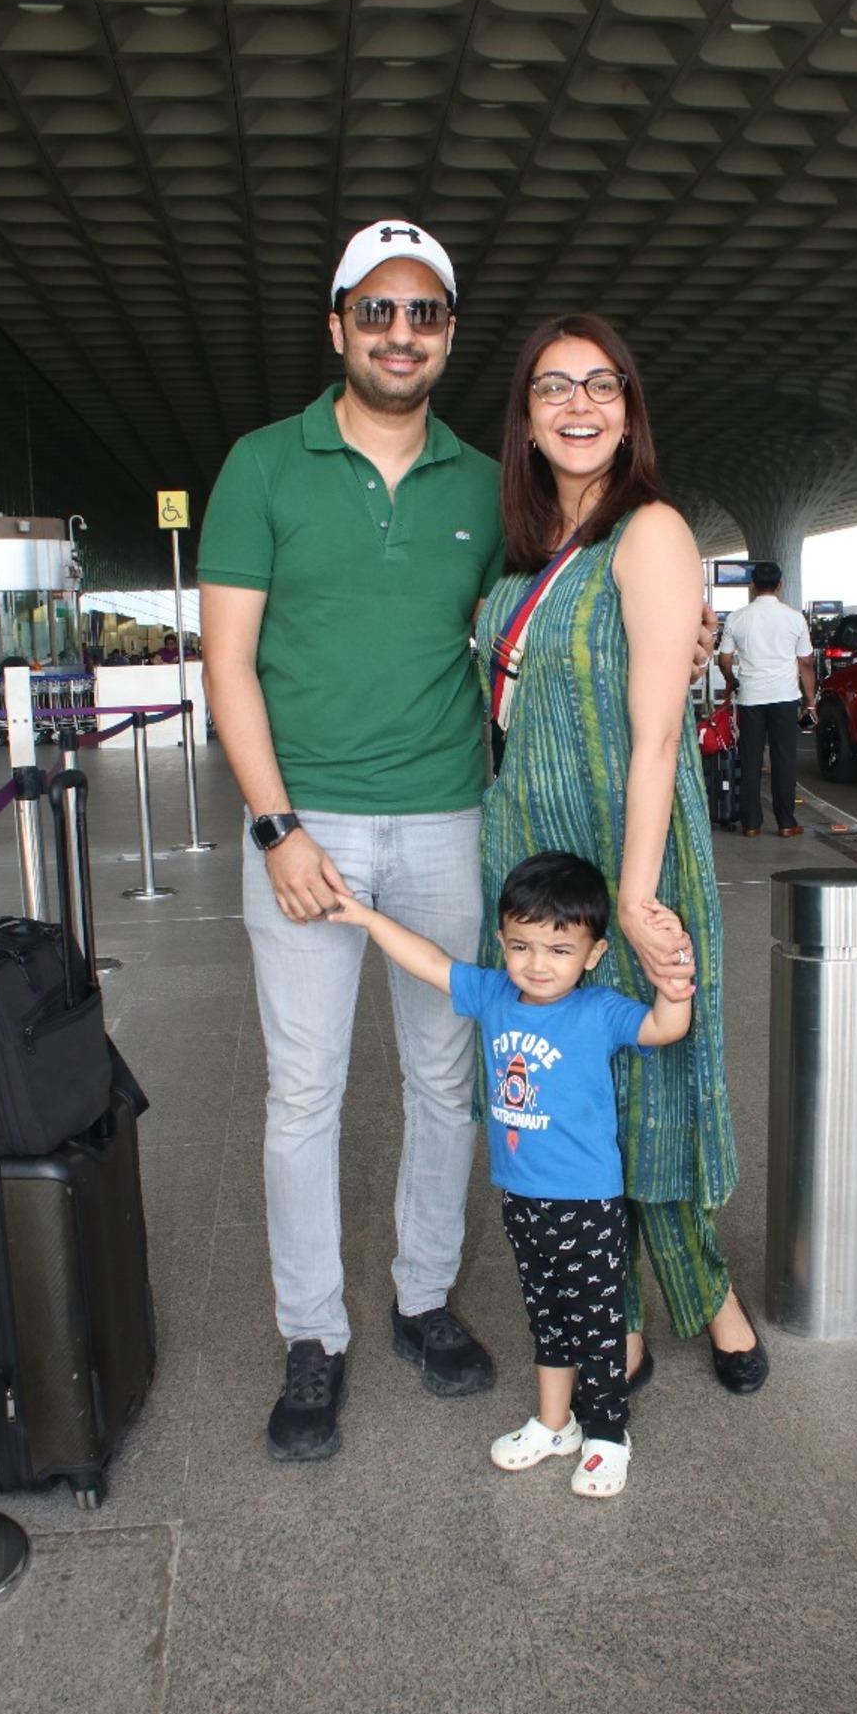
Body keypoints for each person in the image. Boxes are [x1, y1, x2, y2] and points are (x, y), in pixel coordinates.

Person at [198, 220, 506, 1463]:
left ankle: (422, 1300)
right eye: (374, 311)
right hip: (306, 826)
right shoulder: (263, 465)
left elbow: (550, 606)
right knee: (304, 1091)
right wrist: (276, 825)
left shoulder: (487, 484)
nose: (398, 332)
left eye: (421, 313)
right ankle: (311, 1335)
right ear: (337, 328)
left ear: (444, 337)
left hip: (447, 817)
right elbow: (226, 660)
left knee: (444, 1080)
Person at [475, 315, 767, 1395]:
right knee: (563, 1100)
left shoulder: (648, 531)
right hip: (530, 863)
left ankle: (706, 1300)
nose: (580, 405)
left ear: (629, 409)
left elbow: (655, 732)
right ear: (526, 418)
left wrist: (636, 896)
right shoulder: (520, 550)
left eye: (602, 386)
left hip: (628, 849)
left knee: (654, 1088)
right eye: (553, 388)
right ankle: (623, 1317)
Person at [330, 851, 693, 1498]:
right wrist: (362, 914)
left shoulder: (600, 1010)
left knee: (597, 1322)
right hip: (522, 1198)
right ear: (501, 939)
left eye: (559, 948)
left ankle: (608, 1433)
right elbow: (428, 961)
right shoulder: (495, 993)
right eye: (521, 944)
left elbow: (667, 1027)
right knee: (548, 1317)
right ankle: (555, 1423)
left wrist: (675, 972)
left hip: (587, 1204)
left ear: (593, 952)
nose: (536, 962)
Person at [718, 561, 817, 839]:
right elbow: (806, 663)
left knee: (750, 760)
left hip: (750, 698)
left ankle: (751, 824)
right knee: (783, 759)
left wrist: (732, 681)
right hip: (785, 697)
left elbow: (724, 660)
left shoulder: (737, 618)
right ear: (780, 584)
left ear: (752, 586)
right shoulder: (795, 618)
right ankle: (786, 823)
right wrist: (810, 702)